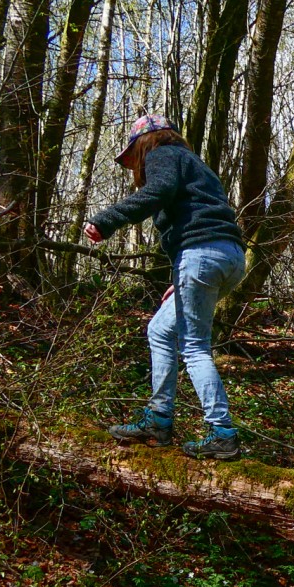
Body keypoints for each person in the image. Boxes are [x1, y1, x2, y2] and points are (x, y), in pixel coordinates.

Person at [84, 115, 247, 460]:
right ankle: (158, 420)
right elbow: (198, 217)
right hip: (228, 257)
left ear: (144, 143)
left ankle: (222, 433)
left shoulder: (162, 153)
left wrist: (105, 221)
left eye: (133, 156)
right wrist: (182, 279)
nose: (136, 165)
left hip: (202, 255)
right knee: (159, 329)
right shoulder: (195, 164)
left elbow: (157, 193)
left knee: (195, 347)